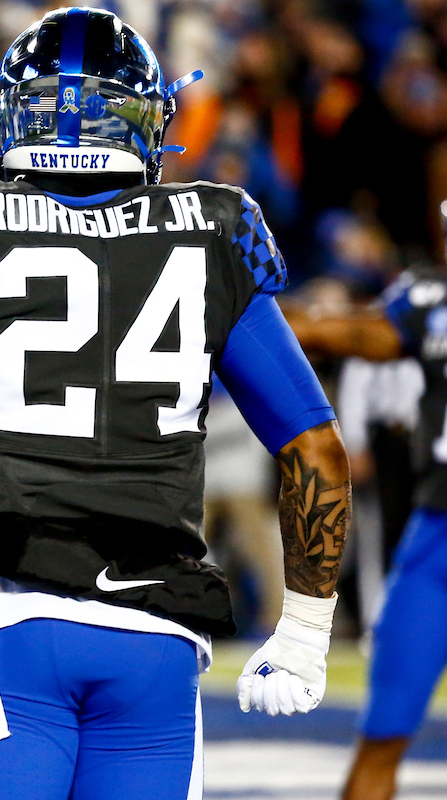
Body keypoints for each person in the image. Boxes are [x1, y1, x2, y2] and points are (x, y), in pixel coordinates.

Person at [0, 8, 352, 799]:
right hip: (157, 632)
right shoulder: (217, 226)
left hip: (9, 618)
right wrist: (307, 632)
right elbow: (315, 448)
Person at [286, 258, 447, 800]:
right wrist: (221, 297)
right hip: (436, 536)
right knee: (382, 733)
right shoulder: (430, 302)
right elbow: (341, 332)